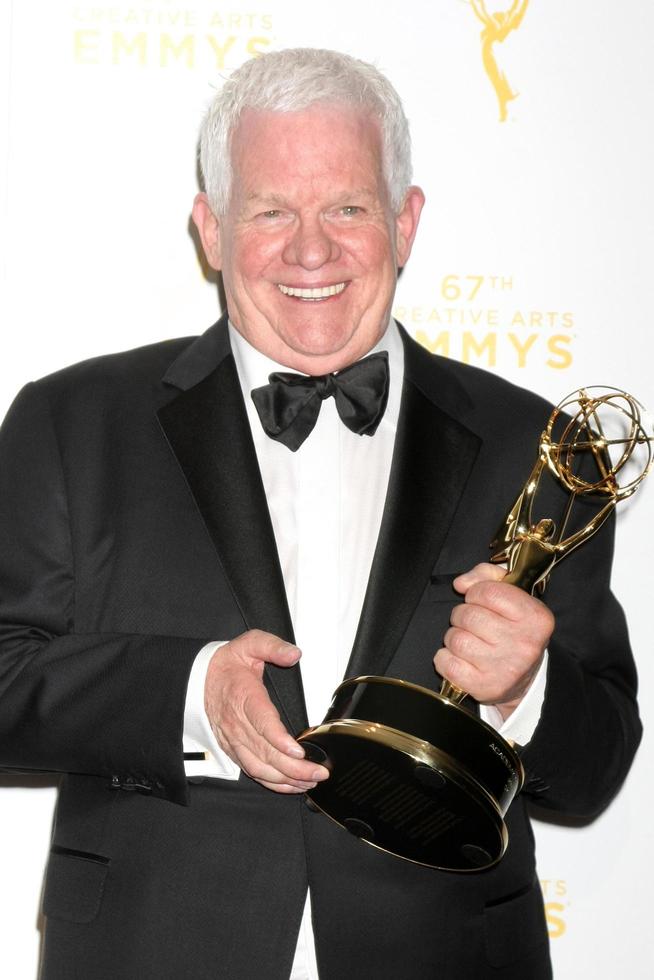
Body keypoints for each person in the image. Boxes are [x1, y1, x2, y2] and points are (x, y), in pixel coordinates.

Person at [0, 48, 640, 980]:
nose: (312, 250)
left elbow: (596, 769)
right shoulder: (71, 423)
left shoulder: (538, 447)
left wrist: (526, 689)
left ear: (405, 221)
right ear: (211, 229)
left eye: (347, 207)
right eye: (271, 212)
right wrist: (190, 694)